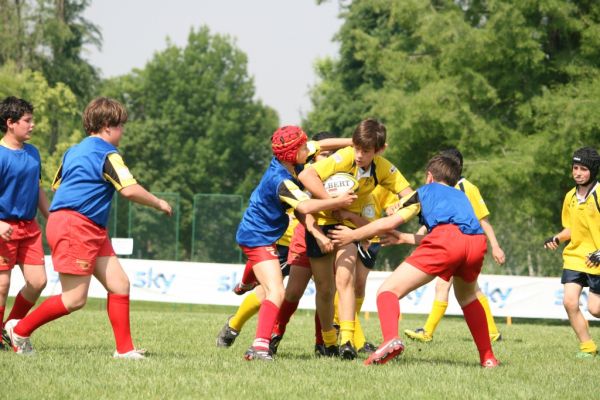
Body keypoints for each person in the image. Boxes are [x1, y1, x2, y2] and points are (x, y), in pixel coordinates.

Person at [4, 97, 173, 358]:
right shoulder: (108, 154)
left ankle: (124, 350)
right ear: (107, 126)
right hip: (78, 226)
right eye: (120, 126)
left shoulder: (74, 151)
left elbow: (58, 185)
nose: (123, 132)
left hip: (87, 226)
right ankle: (20, 329)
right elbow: (128, 189)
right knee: (74, 299)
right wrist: (158, 202)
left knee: (119, 284)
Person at [329, 153, 499, 368]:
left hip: (447, 241)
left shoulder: (424, 191)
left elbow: (388, 222)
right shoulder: (461, 197)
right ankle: (488, 358)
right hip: (476, 243)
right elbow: (455, 231)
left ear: (429, 177)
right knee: (467, 298)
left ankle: (390, 339)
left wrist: (352, 235)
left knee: (387, 292)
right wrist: (403, 238)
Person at [216, 132, 351, 349]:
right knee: (272, 292)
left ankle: (323, 343)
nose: (329, 158)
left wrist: (353, 143)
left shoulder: (309, 165)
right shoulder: (285, 178)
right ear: (294, 154)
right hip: (276, 237)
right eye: (325, 155)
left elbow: (320, 144)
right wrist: (337, 202)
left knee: (321, 290)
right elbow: (304, 208)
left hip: (279, 233)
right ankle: (241, 329)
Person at [298, 118, 413, 360]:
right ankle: (327, 341)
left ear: (379, 150)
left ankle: (347, 341)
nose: (359, 155)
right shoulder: (344, 157)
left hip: (348, 226)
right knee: (324, 288)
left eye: (366, 151)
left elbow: (410, 196)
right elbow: (307, 176)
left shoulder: (383, 168)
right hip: (320, 223)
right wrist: (333, 202)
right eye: (357, 148)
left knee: (346, 279)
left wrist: (399, 208)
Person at [404, 148, 506, 343]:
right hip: (448, 243)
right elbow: (434, 218)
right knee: (472, 290)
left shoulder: (468, 188)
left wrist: (496, 246)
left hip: (461, 244)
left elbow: (483, 220)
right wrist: (420, 234)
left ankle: (427, 332)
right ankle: (492, 333)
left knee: (445, 286)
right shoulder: (439, 188)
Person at [0, 97, 49, 349]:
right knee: (2, 285)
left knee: (38, 282)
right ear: (10, 123)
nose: (32, 125)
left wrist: (52, 216)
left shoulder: (33, 153)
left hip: (29, 228)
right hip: (3, 228)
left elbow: (37, 188)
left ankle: (10, 329)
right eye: (27, 121)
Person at [544, 147, 600, 359]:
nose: (577, 172)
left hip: (597, 261)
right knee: (569, 302)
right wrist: (557, 238)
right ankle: (588, 347)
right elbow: (571, 228)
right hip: (575, 257)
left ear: (593, 171)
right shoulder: (570, 197)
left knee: (595, 309)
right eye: (575, 168)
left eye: (583, 169)